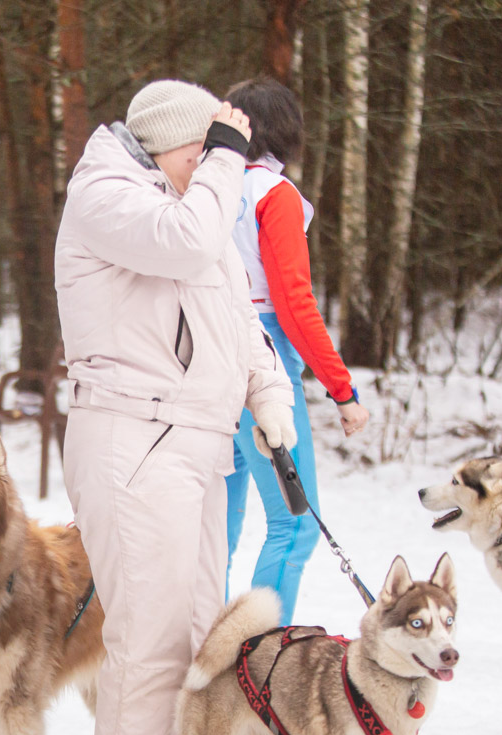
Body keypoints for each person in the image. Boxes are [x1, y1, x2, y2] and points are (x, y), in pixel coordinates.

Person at [55, 79, 298, 735]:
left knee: (199, 635)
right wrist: (224, 167)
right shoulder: (107, 195)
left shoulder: (184, 201)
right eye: (202, 150)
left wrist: (270, 398)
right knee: (150, 641)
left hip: (195, 443)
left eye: (213, 152)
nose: (213, 165)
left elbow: (235, 312)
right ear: (162, 144)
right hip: (133, 436)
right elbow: (190, 244)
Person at [223, 78, 369, 624]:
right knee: (295, 523)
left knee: (219, 528)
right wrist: (342, 389)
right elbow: (293, 302)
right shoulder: (273, 195)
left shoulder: (208, 188)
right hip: (263, 363)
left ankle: (196, 645)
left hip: (208, 360)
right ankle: (262, 659)